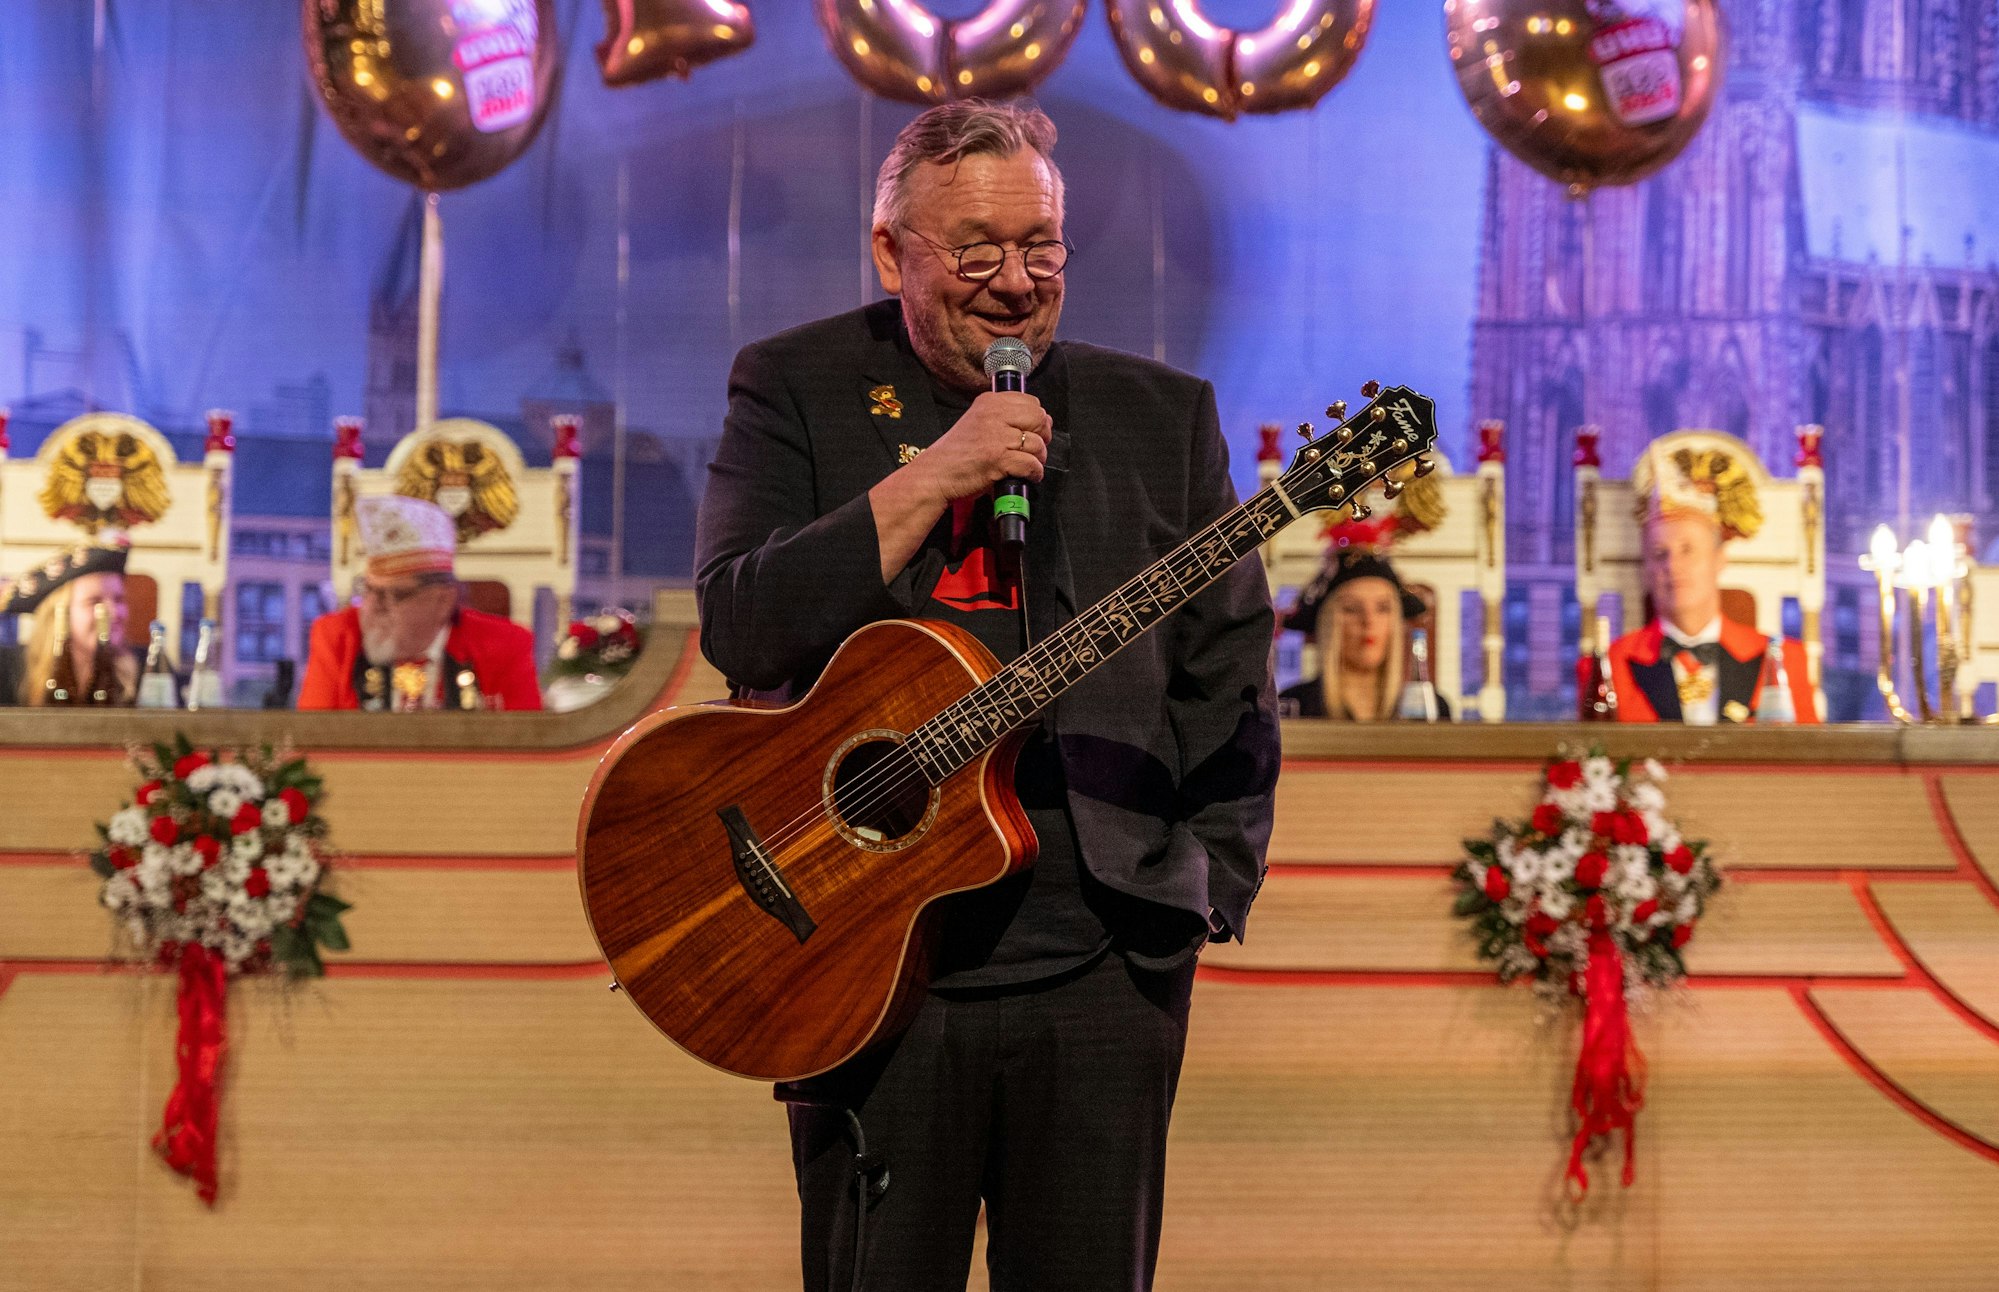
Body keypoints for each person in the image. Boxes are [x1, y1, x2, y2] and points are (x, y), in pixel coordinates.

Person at [694, 101, 1278, 1290]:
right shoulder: (794, 387)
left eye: (1040, 246)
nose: (1015, 283)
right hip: (868, 948)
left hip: (1106, 960)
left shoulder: (1161, 418)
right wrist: (938, 475)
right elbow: (741, 623)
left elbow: (1229, 669)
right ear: (888, 251)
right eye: (974, 251)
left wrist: (1200, 890)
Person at [1606, 440, 1818, 724]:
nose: (1672, 565)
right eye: (1659, 554)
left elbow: (1806, 762)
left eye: (1687, 550)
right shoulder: (1610, 665)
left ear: (1719, 559)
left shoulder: (1784, 659)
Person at [298, 494, 541, 711]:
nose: (373, 606)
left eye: (395, 594)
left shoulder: (506, 646)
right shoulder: (337, 636)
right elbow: (314, 741)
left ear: (443, 600)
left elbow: (525, 748)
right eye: (370, 590)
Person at [1280, 539, 1452, 721]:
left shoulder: (1429, 709)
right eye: (1351, 609)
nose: (1368, 621)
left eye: (1383, 608)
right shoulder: (1295, 707)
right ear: (1327, 624)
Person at [0, 535, 137, 706]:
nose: (114, 612)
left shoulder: (150, 667)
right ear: (59, 615)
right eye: (94, 601)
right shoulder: (9, 669)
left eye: (118, 599)